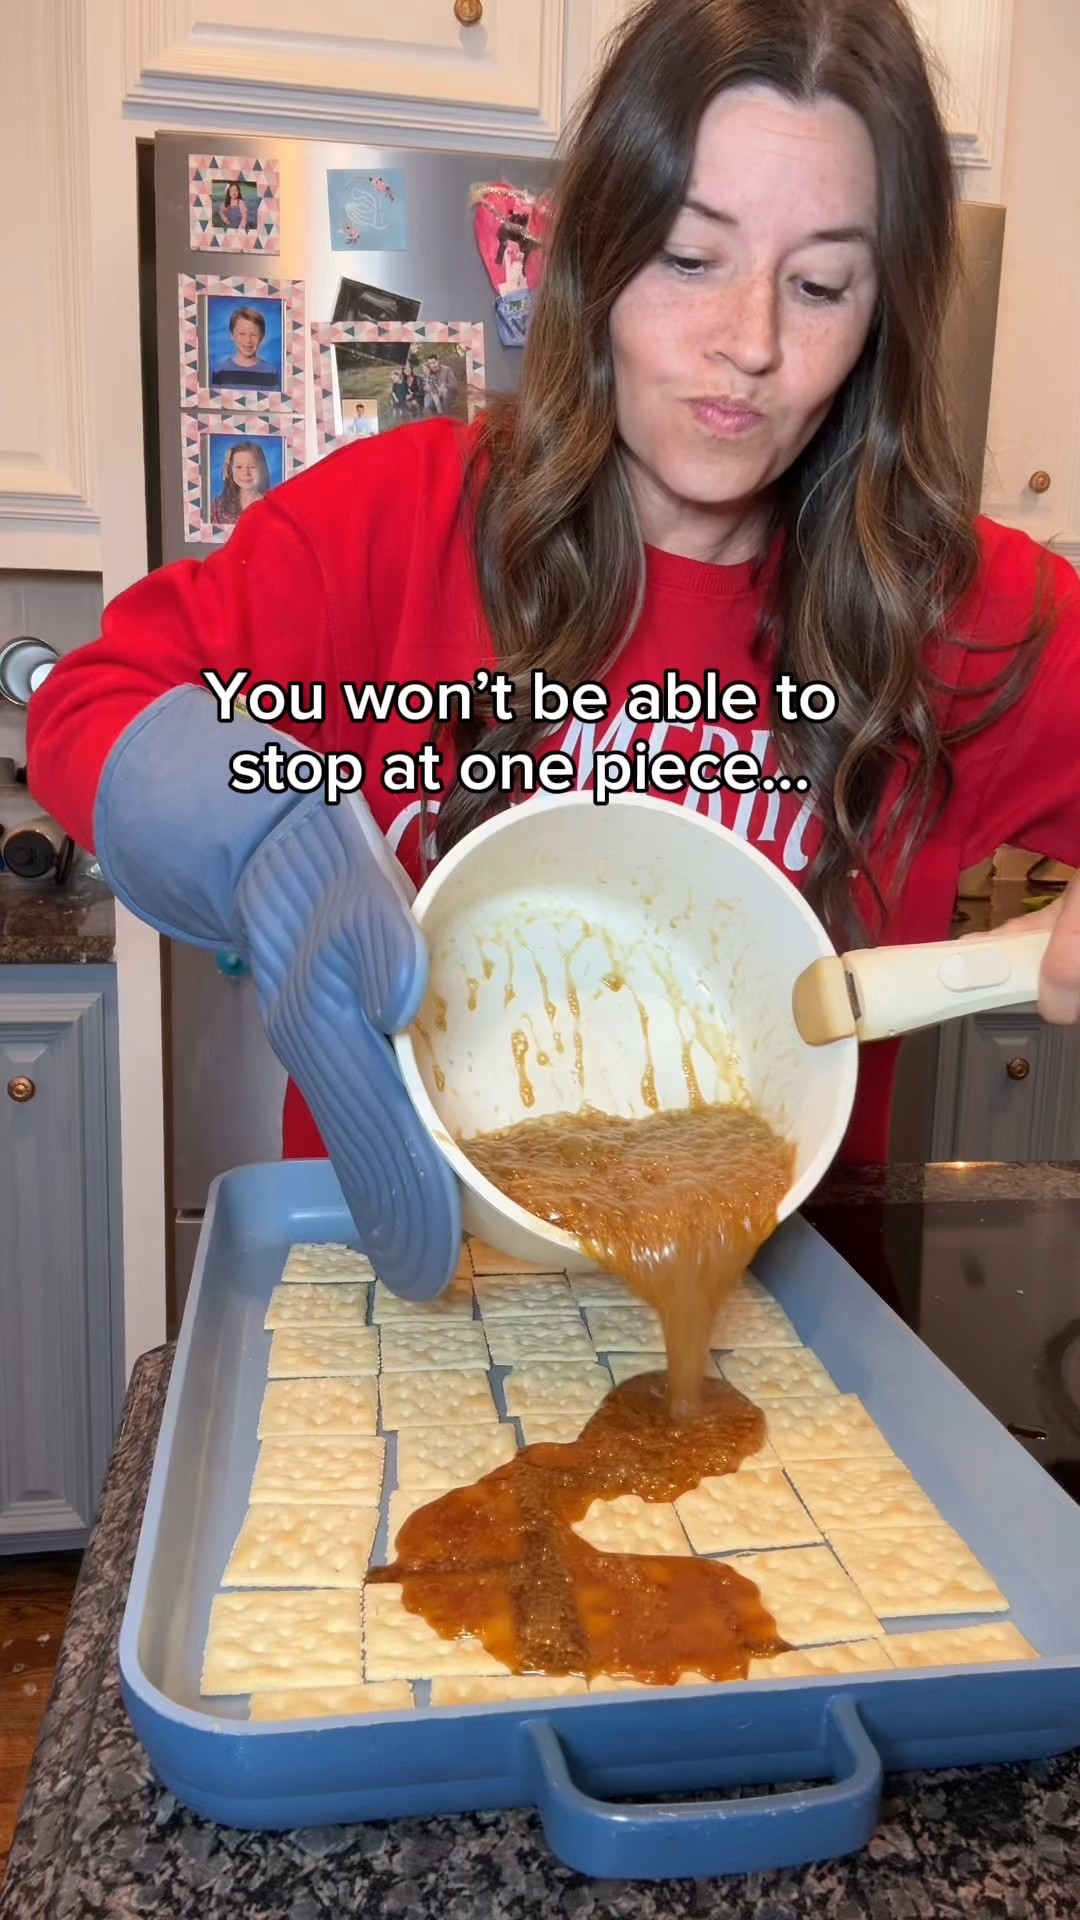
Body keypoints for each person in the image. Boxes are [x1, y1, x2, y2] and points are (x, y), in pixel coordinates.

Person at [26, 0, 1080, 1304]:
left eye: (819, 285)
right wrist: (252, 830)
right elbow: (94, 699)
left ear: (881, 316)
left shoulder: (958, 615)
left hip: (784, 1337)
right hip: (419, 1296)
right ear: (591, 254)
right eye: (691, 259)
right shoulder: (402, 521)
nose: (750, 343)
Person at [210, 305, 278, 388]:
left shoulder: (271, 372)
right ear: (232, 335)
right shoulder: (220, 372)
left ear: (262, 337)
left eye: (254, 335)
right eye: (242, 334)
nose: (248, 340)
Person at [209, 442, 273, 526]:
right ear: (230, 470)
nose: (246, 473)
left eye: (252, 466)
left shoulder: (273, 506)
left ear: (262, 469)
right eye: (239, 467)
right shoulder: (217, 507)